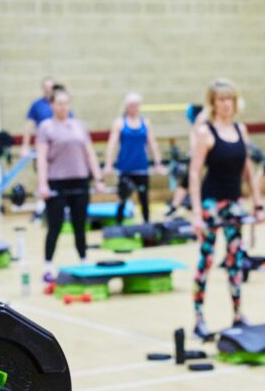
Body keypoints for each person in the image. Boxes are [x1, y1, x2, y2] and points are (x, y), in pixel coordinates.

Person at [188, 79, 260, 340]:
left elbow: (248, 170)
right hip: (211, 204)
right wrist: (196, 213)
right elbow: (194, 174)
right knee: (206, 261)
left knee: (235, 261)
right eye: (221, 100)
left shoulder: (241, 129)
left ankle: (238, 315)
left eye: (230, 99)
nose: (226, 104)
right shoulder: (205, 132)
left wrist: (258, 203)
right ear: (213, 103)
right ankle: (198, 319)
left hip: (234, 204)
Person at [36, 86, 105, 279]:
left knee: (80, 224)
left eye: (66, 104)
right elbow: (41, 158)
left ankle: (83, 259)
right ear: (52, 105)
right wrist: (43, 184)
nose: (63, 107)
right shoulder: (46, 127)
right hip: (57, 182)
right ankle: (48, 265)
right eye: (59, 104)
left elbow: (89, 154)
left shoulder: (78, 126)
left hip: (80, 181)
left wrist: (98, 178)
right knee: (55, 225)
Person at [103, 92, 164, 225]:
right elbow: (112, 144)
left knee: (144, 198)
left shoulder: (145, 123)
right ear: (126, 106)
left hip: (141, 167)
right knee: (122, 198)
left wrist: (157, 163)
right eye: (131, 105)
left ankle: (147, 225)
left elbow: (152, 144)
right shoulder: (120, 123)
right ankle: (118, 225)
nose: (134, 108)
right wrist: (108, 164)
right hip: (125, 167)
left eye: (136, 105)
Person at [21, 76, 57, 157]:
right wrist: (25, 146)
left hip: (58, 144)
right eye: (46, 87)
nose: (48, 89)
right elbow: (28, 126)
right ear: (43, 89)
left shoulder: (61, 104)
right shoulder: (36, 105)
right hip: (43, 144)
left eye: (50, 87)